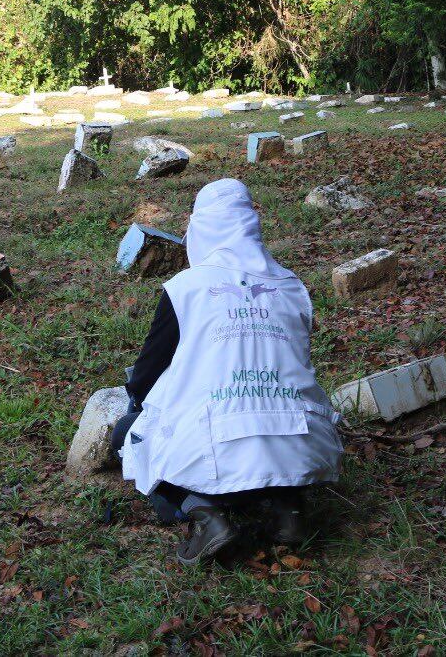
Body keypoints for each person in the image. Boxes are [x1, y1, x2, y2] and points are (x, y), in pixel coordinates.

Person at [114, 178, 343, 564]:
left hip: (211, 451)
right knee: (271, 426)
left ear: (200, 228)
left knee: (128, 432)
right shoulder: (291, 286)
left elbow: (148, 372)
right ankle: (288, 507)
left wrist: (138, 398)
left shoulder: (186, 287)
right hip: (301, 452)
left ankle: (204, 513)